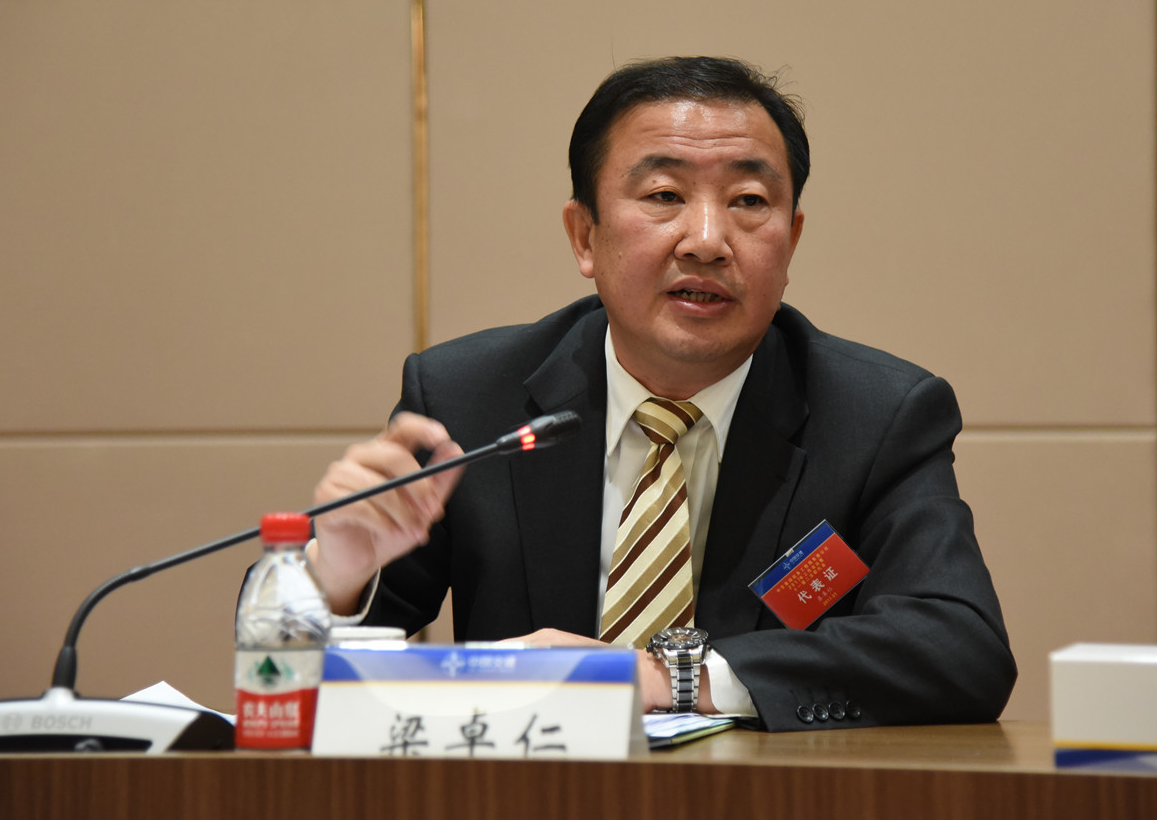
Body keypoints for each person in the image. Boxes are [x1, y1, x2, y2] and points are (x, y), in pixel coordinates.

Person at [305, 56, 1016, 731]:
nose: (706, 240)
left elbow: (960, 647)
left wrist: (665, 678)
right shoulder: (468, 401)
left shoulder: (877, 416)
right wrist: (330, 580)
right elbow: (288, 672)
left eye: (748, 201)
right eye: (664, 196)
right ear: (585, 236)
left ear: (791, 242)